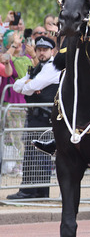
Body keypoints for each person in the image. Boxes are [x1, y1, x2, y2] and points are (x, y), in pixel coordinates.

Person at [6, 36, 59, 199]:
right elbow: (17, 85)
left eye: (45, 50)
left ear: (52, 51)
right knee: (32, 153)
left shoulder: (52, 67)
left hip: (45, 118)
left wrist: (30, 85)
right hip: (35, 116)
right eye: (39, 50)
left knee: (39, 153)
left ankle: (33, 191)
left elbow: (31, 86)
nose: (41, 53)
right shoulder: (38, 68)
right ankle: (33, 190)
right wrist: (29, 84)